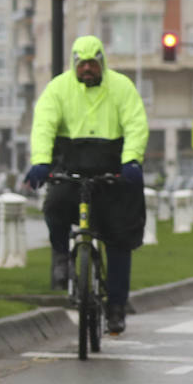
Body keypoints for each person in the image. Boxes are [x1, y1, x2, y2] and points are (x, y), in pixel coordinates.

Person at [23, 35, 148, 336]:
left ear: (102, 62)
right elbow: (43, 125)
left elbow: (135, 124)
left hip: (113, 174)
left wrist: (131, 161)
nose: (88, 69)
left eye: (93, 63)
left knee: (119, 241)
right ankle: (61, 258)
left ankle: (117, 308)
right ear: (74, 64)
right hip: (72, 169)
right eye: (83, 64)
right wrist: (42, 161)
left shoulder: (122, 87)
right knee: (54, 206)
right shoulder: (57, 89)